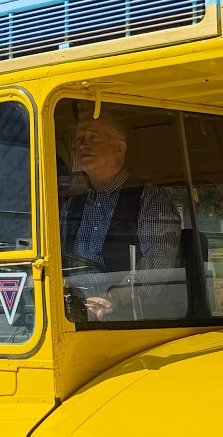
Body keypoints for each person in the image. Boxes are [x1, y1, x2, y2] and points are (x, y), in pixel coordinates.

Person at [59, 114, 181, 320]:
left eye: (93, 138)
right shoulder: (70, 206)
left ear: (119, 148)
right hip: (75, 315)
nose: (83, 145)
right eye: (79, 140)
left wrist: (117, 298)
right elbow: (59, 260)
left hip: (133, 317)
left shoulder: (149, 197)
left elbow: (158, 261)